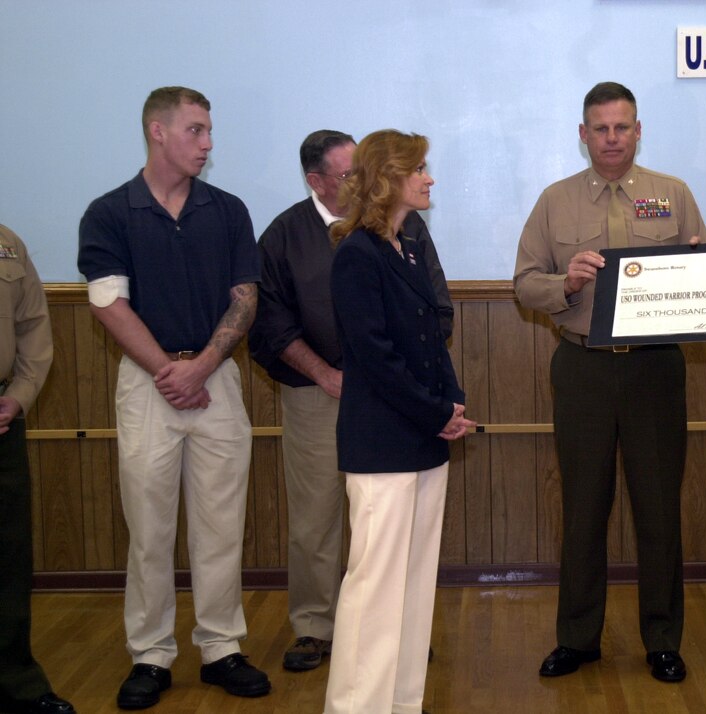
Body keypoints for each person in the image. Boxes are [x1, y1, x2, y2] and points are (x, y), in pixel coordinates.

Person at [77, 86, 270, 710]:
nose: (207, 143)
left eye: (209, 131)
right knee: (150, 528)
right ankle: (152, 656)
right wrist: (168, 370)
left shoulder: (229, 209)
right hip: (147, 383)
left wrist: (205, 366)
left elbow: (246, 296)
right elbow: (109, 302)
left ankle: (221, 649)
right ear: (157, 132)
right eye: (196, 130)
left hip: (217, 380)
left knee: (220, 526)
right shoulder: (109, 212)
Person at [513, 81, 706, 683]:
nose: (612, 138)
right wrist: (564, 283)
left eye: (622, 127)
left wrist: (704, 266)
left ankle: (663, 639)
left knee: (658, 509)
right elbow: (523, 283)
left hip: (655, 369)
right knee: (584, 507)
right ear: (582, 134)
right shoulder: (555, 201)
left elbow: (704, 272)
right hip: (584, 368)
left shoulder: (671, 195)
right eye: (600, 128)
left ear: (638, 129)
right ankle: (577, 637)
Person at [248, 129, 454, 673]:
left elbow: (435, 307)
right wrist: (326, 373)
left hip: (396, 402)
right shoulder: (286, 235)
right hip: (319, 390)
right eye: (346, 173)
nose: (356, 180)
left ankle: (394, 636)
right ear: (315, 181)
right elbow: (271, 322)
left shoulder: (408, 233)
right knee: (318, 517)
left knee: (389, 537)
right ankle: (317, 629)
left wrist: (427, 392)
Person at [323, 129, 473, 714]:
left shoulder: (406, 245)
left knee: (412, 587)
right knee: (374, 591)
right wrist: (437, 412)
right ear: (389, 177)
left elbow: (431, 338)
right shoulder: (356, 254)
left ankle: (402, 703)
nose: (429, 178)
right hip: (382, 444)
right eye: (419, 169)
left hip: (422, 441)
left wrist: (452, 402)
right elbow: (376, 356)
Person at [0, 225, 75, 714]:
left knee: (8, 556)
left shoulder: (6, 242)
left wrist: (19, 397)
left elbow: (31, 324)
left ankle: (16, 684)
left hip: (2, 420)